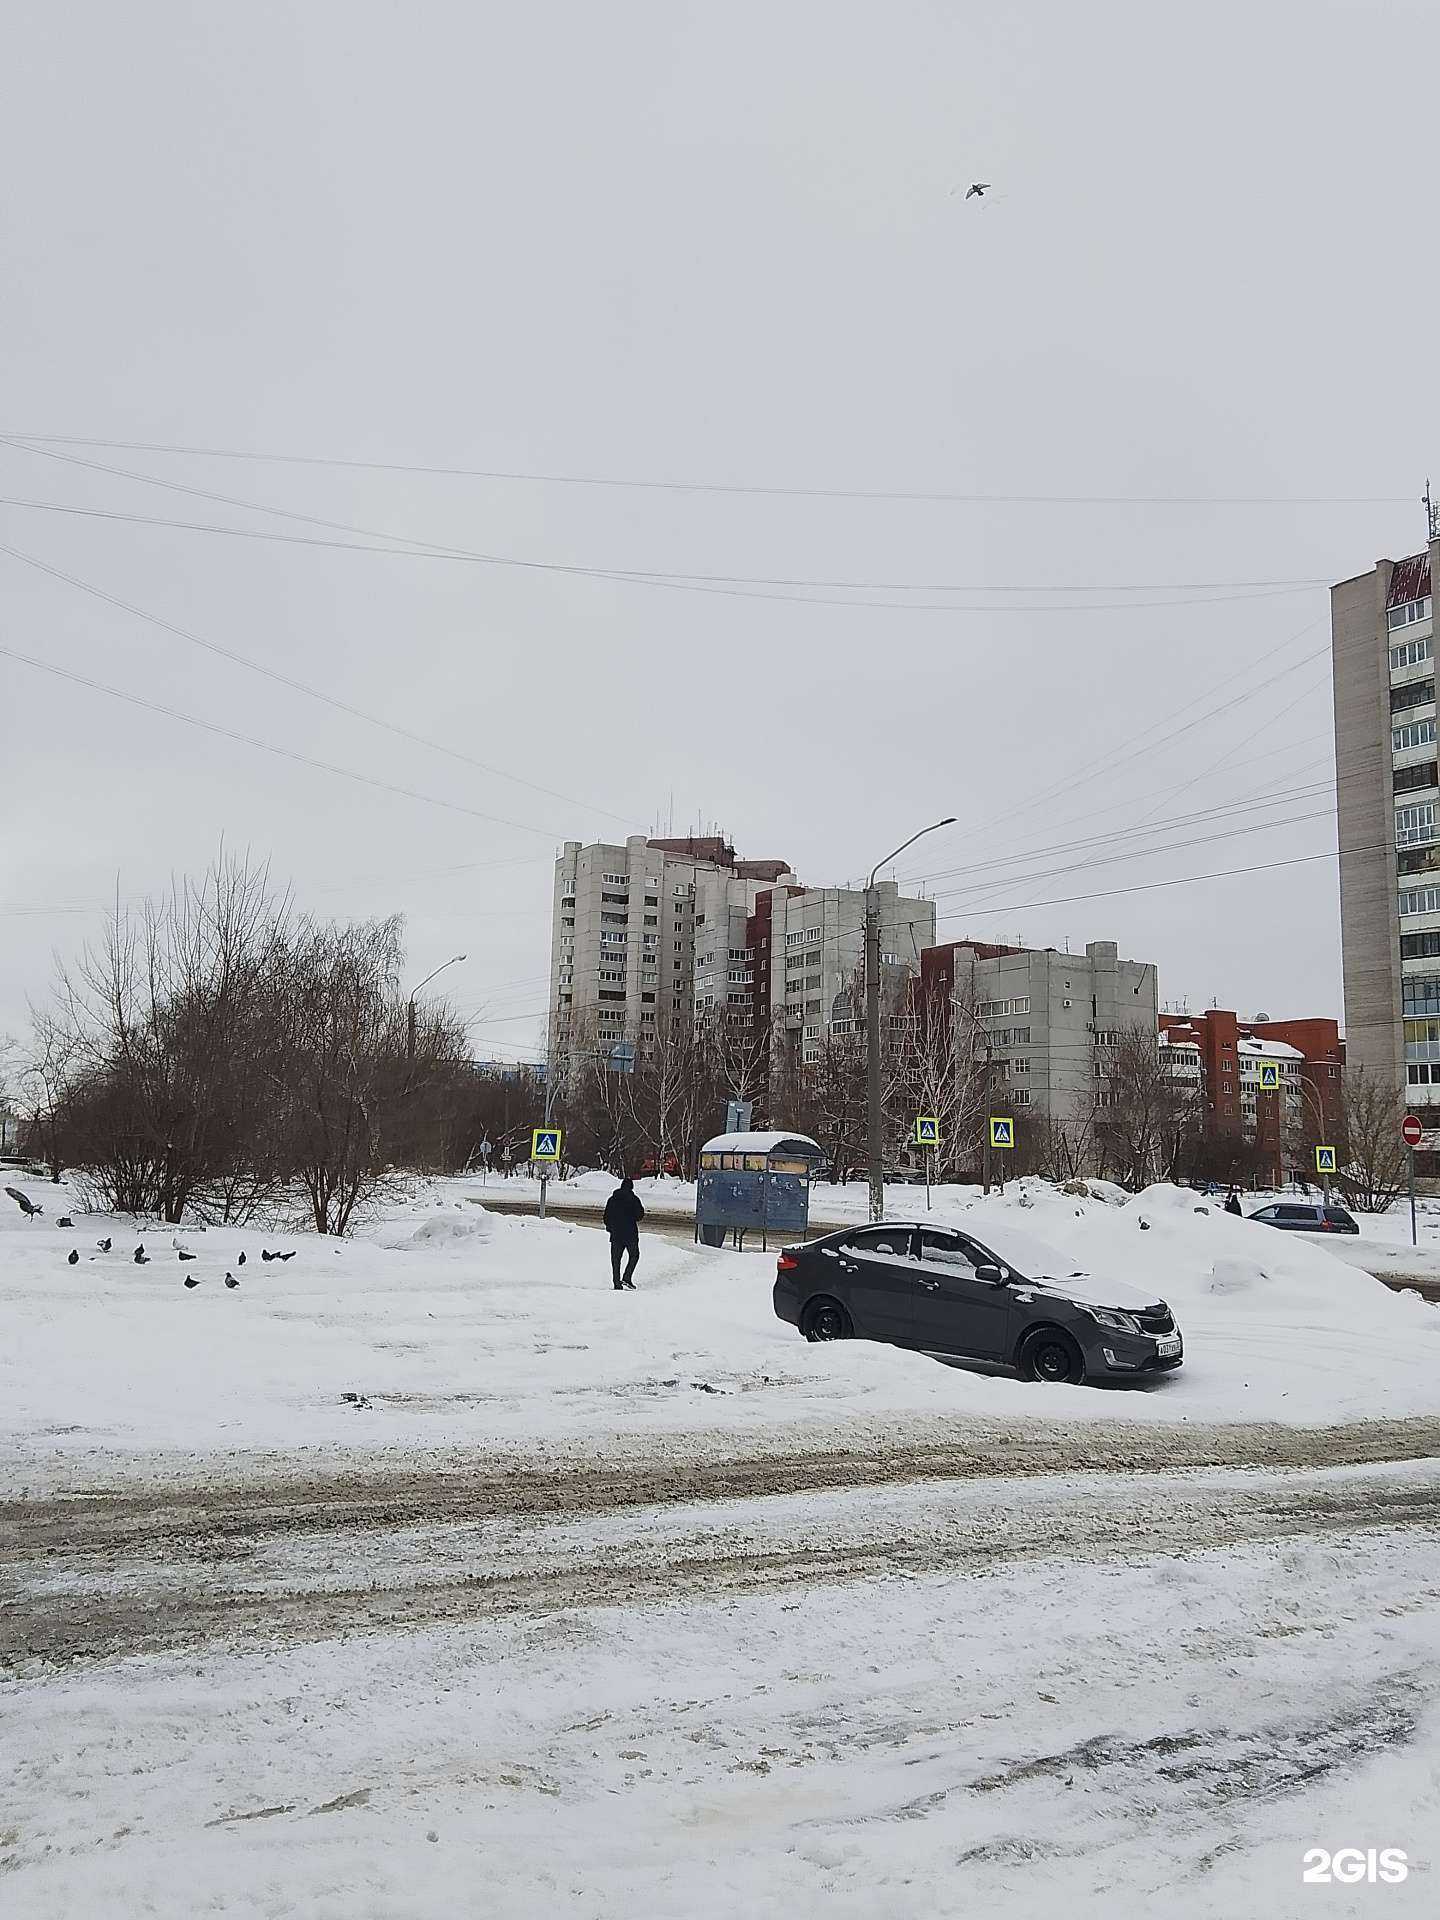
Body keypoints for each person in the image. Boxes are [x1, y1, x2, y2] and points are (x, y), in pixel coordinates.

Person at [603, 1175, 644, 1290]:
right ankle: (627, 1277)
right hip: (630, 1234)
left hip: (616, 1235)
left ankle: (617, 1283)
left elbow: (606, 1217)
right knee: (634, 1255)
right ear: (631, 1187)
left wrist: (610, 1228)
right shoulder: (634, 1199)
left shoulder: (612, 1199)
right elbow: (639, 1215)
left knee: (615, 1260)